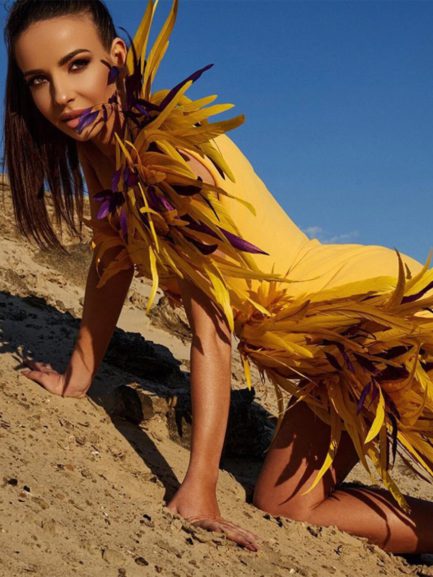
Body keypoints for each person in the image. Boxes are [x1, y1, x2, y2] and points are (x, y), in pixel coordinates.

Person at [4, 0, 433, 556]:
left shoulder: (167, 157)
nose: (61, 95)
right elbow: (111, 264)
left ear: (118, 57)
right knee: (284, 503)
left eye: (77, 64)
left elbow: (211, 328)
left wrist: (200, 488)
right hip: (328, 358)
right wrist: (76, 378)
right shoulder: (100, 151)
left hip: (375, 316)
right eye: (39, 79)